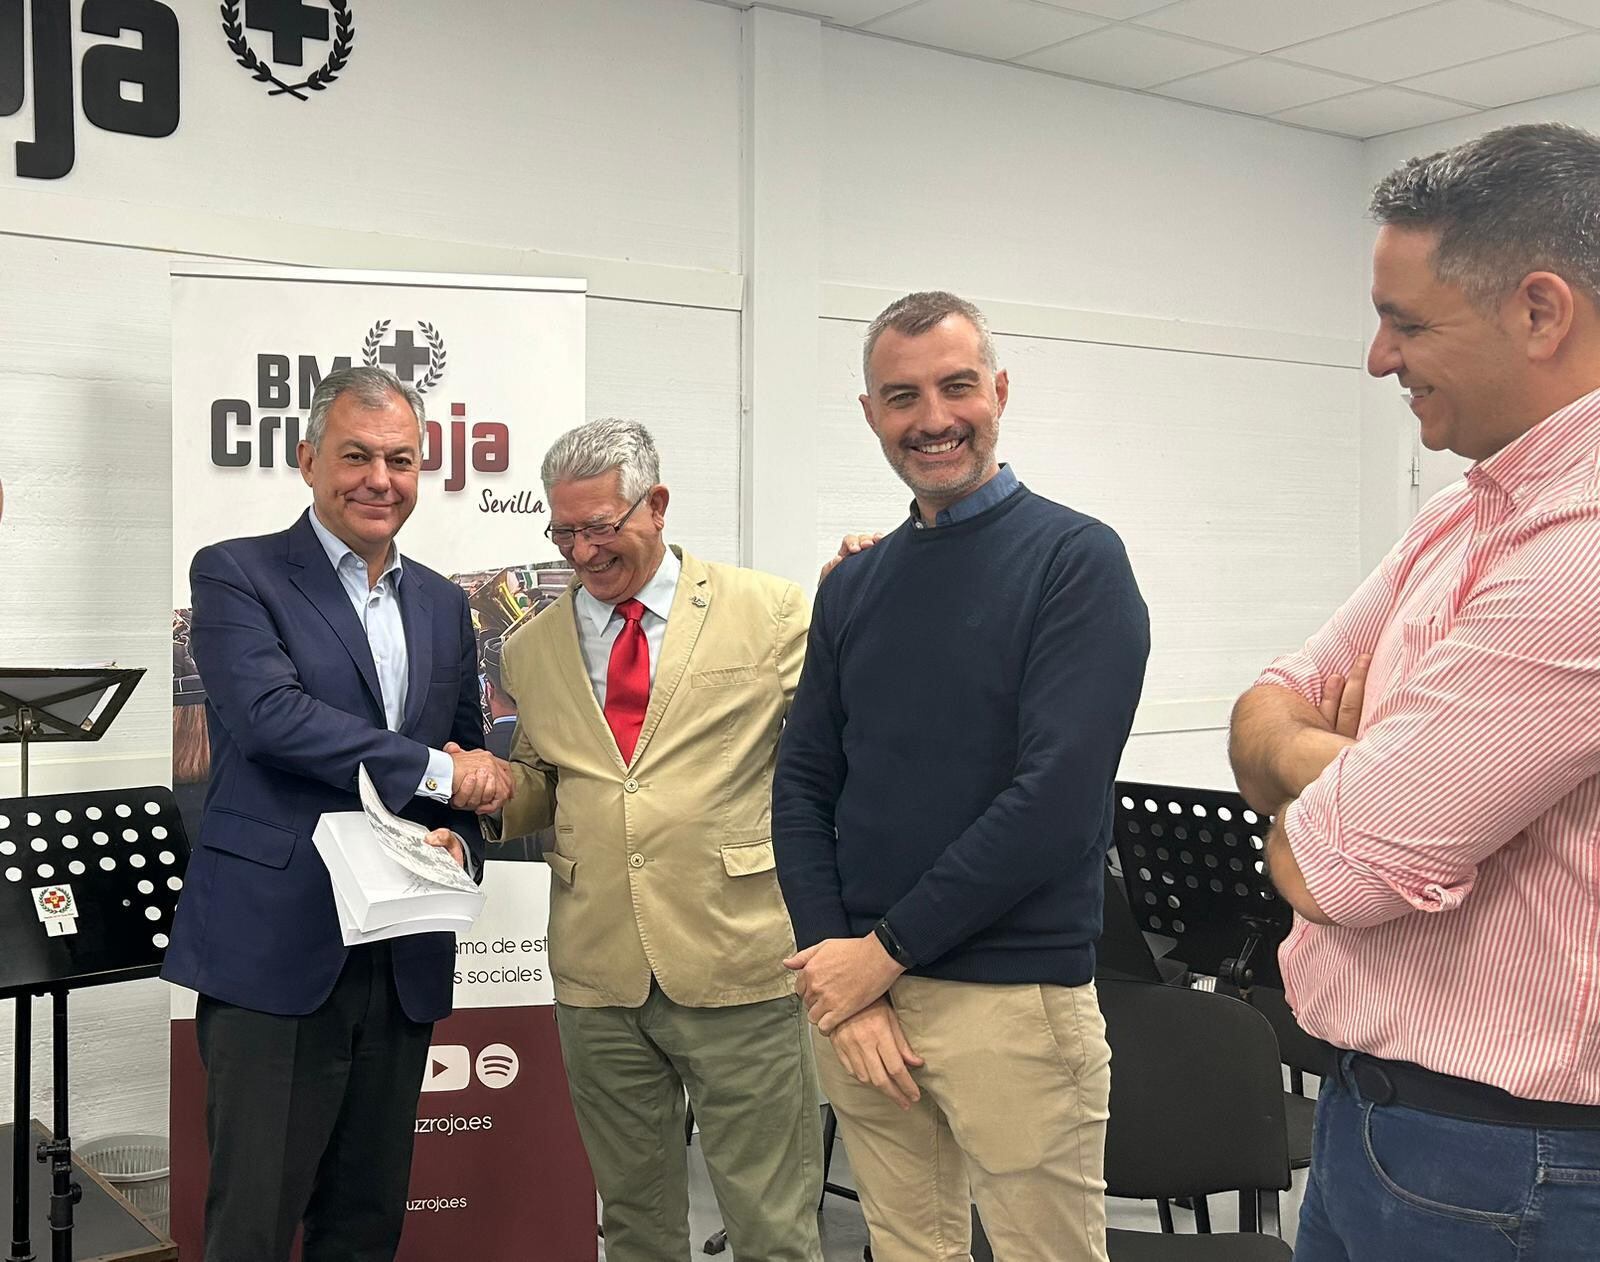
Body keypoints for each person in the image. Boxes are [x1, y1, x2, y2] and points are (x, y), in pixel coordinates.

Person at [1229, 122, 1600, 1262]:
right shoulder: (1466, 511)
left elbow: (1328, 870)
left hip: (1510, 1158)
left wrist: (1335, 789)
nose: (1377, 359)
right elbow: (1258, 712)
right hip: (1378, 1110)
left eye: (1407, 321)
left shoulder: (1581, 547)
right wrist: (1345, 767)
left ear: (1540, 311)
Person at [772, 291, 1149, 1261]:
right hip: (861, 1000)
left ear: (1000, 391)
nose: (931, 418)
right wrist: (837, 969)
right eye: (901, 396)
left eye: (956, 386)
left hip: (1010, 1002)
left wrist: (880, 952)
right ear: (869, 413)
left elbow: (1057, 802)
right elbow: (803, 781)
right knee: (905, 1247)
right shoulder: (854, 584)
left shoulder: (1076, 560)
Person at [163, 365, 513, 1262]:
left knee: (365, 1220)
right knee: (252, 1224)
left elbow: (465, 751)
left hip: (401, 950)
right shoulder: (238, 573)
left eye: (400, 460)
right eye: (356, 455)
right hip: (278, 946)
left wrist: (458, 835)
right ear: (309, 458)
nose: (379, 479)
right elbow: (273, 719)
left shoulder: (441, 600)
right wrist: (439, 770)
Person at [498, 418, 824, 1262]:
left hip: (740, 960)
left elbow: (840, 754)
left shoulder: (772, 610)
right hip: (598, 971)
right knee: (633, 1225)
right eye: (563, 531)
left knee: (772, 1225)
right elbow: (543, 781)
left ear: (658, 505)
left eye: (600, 526)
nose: (581, 551)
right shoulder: (529, 648)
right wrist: (494, 788)